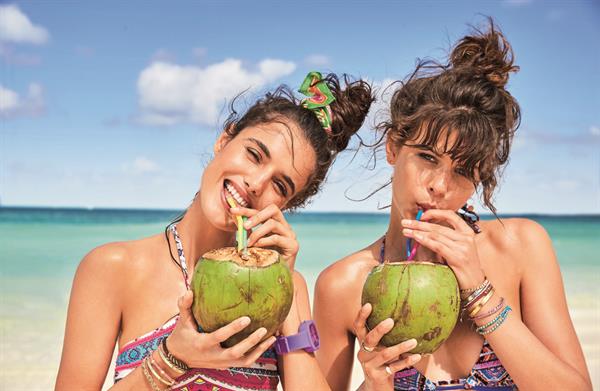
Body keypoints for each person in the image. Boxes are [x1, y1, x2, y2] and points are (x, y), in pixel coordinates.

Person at [314, 22, 592, 391]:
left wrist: (480, 292)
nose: (439, 186)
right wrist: (375, 384)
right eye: (427, 157)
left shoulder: (520, 246)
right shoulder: (344, 285)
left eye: (461, 171)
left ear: (478, 180)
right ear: (394, 147)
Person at [56, 71, 373, 390]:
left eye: (279, 184)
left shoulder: (290, 285)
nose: (255, 183)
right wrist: (171, 358)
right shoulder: (113, 268)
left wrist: (283, 289)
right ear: (224, 140)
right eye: (254, 155)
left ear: (285, 206)